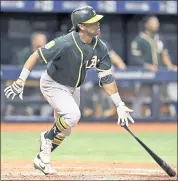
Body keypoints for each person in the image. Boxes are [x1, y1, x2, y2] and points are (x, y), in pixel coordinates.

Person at [4, 6, 134, 175]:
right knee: (73, 116)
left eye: (97, 21)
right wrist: (21, 80)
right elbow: (36, 55)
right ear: (82, 26)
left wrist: (119, 104)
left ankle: (41, 158)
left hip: (74, 87)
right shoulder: (65, 42)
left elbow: (107, 78)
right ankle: (47, 137)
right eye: (92, 22)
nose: (97, 24)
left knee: (66, 130)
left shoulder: (100, 47)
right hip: (53, 83)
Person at [131, 15, 177, 117]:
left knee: (167, 97)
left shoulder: (159, 38)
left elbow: (164, 54)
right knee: (140, 97)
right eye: (153, 22)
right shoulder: (139, 39)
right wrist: (147, 66)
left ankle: (172, 119)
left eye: (157, 23)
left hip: (160, 73)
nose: (157, 24)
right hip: (144, 74)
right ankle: (135, 119)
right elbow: (135, 57)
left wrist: (170, 66)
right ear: (147, 24)